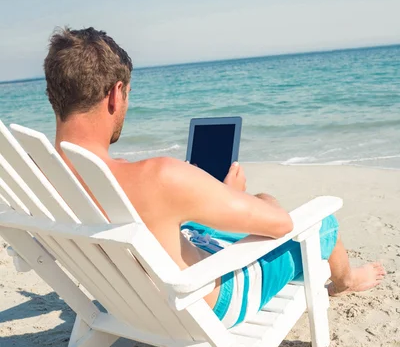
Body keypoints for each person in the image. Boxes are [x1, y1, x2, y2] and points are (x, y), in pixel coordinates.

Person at [44, 27, 385, 328]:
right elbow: (280, 225)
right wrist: (258, 201)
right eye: (128, 95)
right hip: (204, 305)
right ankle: (347, 282)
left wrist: (214, 193)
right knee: (320, 224)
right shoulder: (158, 176)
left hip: (123, 299)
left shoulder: (38, 177)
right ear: (116, 95)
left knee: (195, 225)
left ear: (53, 95)